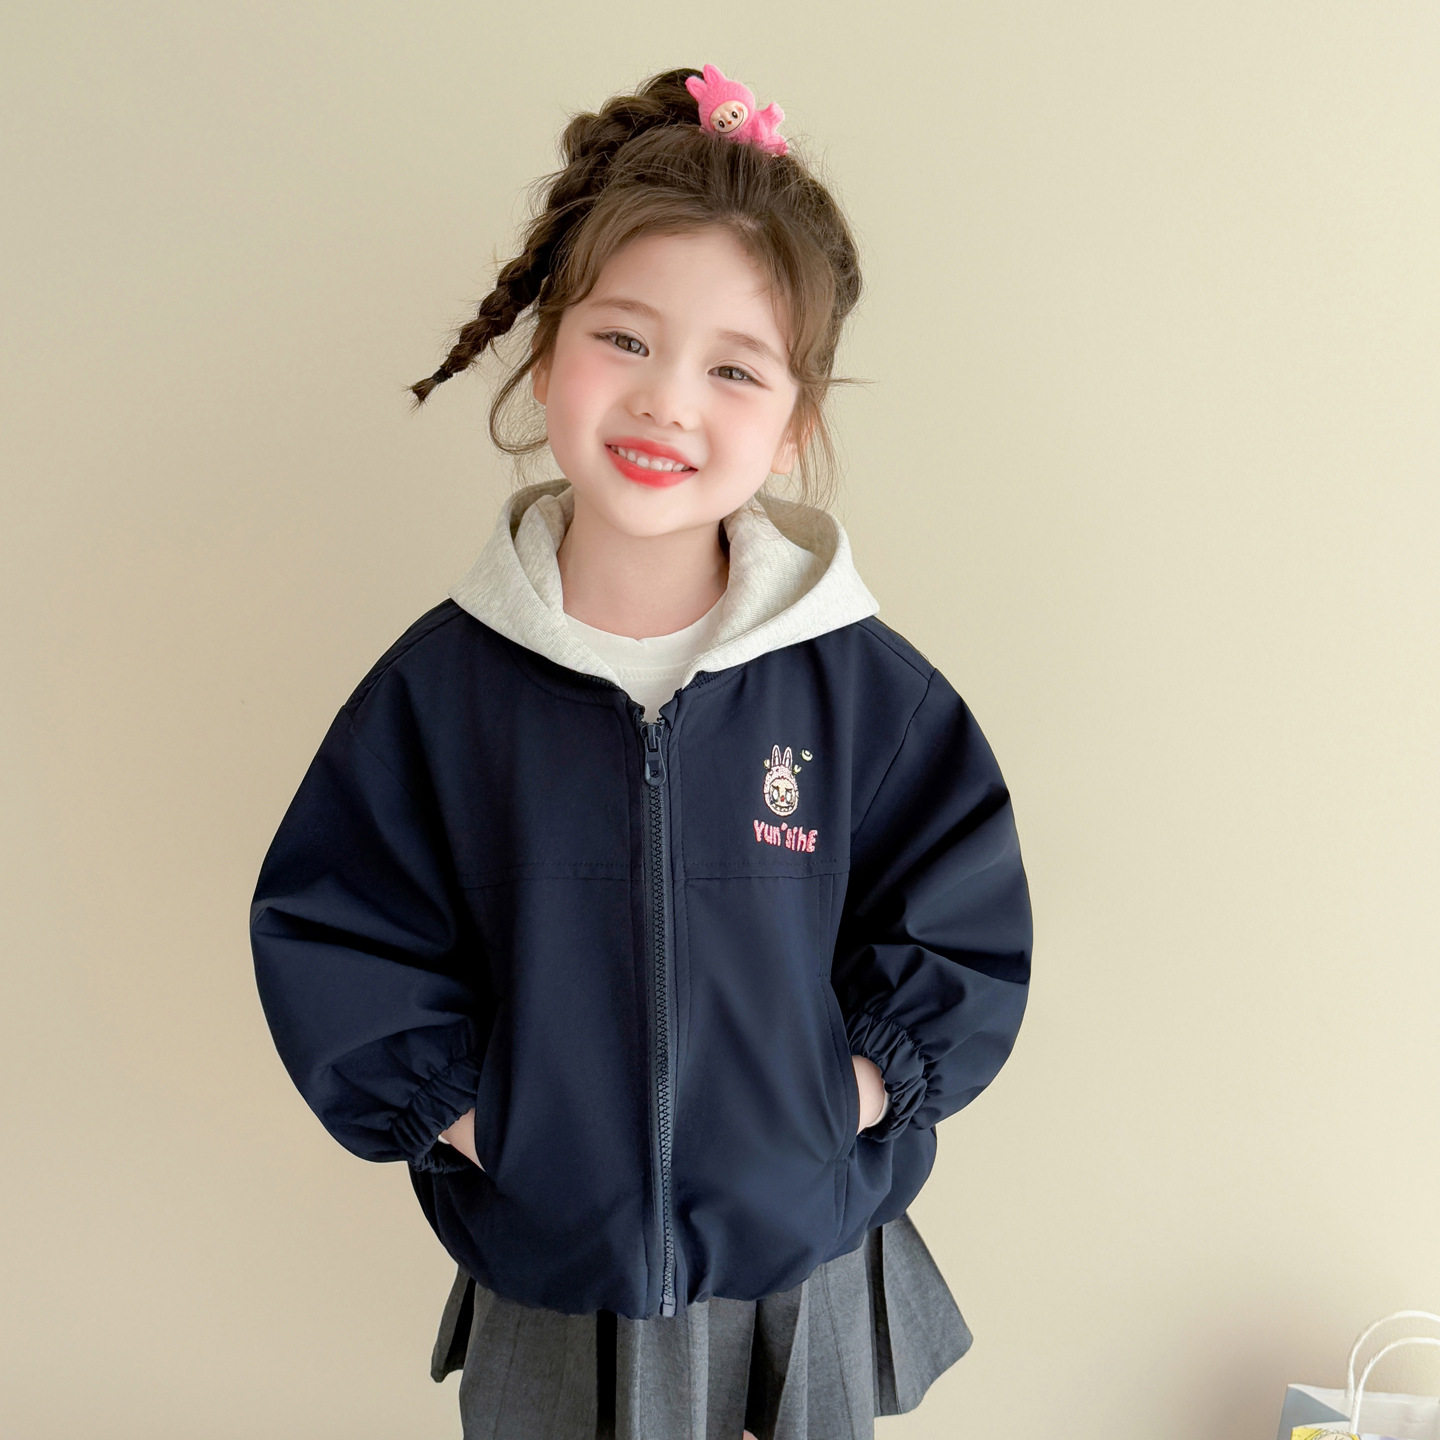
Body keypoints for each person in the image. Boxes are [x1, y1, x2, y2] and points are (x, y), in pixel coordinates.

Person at [249, 62, 1033, 1440]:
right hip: (554, 1284)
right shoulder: (440, 693)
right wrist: (485, 1122)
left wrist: (841, 1098)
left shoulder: (869, 695)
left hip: (804, 1269)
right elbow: (338, 932)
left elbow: (960, 935)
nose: (669, 401)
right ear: (548, 352)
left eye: (733, 368)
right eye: (624, 339)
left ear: (792, 422)